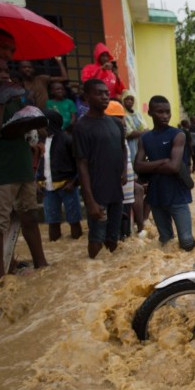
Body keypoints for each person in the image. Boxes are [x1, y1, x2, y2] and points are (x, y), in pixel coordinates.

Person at [0, 51, 49, 283]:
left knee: (30, 216)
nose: (4, 75)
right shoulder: (1, 98)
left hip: (23, 165)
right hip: (0, 171)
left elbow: (24, 129)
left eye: (6, 70)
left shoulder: (15, 96)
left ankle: (42, 264)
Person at [73, 79, 127, 258]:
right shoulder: (82, 126)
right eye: (99, 93)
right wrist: (89, 201)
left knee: (113, 238)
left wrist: (124, 171)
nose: (105, 97)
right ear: (87, 97)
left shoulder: (116, 124)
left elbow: (123, 148)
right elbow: (81, 164)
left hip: (116, 191)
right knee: (96, 239)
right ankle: (92, 270)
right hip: (97, 193)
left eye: (106, 93)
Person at [134, 96, 195, 251]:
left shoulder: (178, 134)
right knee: (166, 242)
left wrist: (149, 165)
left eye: (167, 112)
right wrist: (163, 161)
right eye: (160, 112)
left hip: (177, 194)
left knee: (187, 242)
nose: (165, 116)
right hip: (156, 196)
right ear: (150, 113)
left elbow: (174, 167)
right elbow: (137, 166)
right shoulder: (145, 138)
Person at [36, 111, 82, 241]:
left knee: (74, 220)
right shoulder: (40, 142)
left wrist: (73, 182)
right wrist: (37, 182)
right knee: (52, 221)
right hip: (47, 187)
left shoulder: (67, 139)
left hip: (67, 185)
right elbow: (37, 164)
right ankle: (55, 244)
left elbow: (79, 164)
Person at [105, 100, 136, 240]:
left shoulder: (120, 135)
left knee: (127, 209)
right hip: (116, 184)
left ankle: (125, 236)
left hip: (127, 182)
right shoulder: (109, 136)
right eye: (117, 117)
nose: (122, 122)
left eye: (121, 117)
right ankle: (117, 237)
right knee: (116, 214)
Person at [121, 90, 148, 164]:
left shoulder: (137, 113)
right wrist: (143, 132)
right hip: (130, 144)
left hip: (140, 143)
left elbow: (145, 127)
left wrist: (142, 132)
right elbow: (129, 133)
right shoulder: (122, 114)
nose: (129, 101)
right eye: (127, 99)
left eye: (131, 99)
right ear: (123, 100)